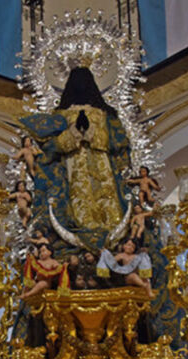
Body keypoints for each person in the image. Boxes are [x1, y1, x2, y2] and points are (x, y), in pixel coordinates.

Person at [19, 67, 132, 250]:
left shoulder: (105, 114)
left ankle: (110, 236)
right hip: (72, 165)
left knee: (107, 203)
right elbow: (50, 147)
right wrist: (74, 133)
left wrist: (90, 132)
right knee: (78, 201)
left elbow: (119, 142)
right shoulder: (60, 115)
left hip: (102, 165)